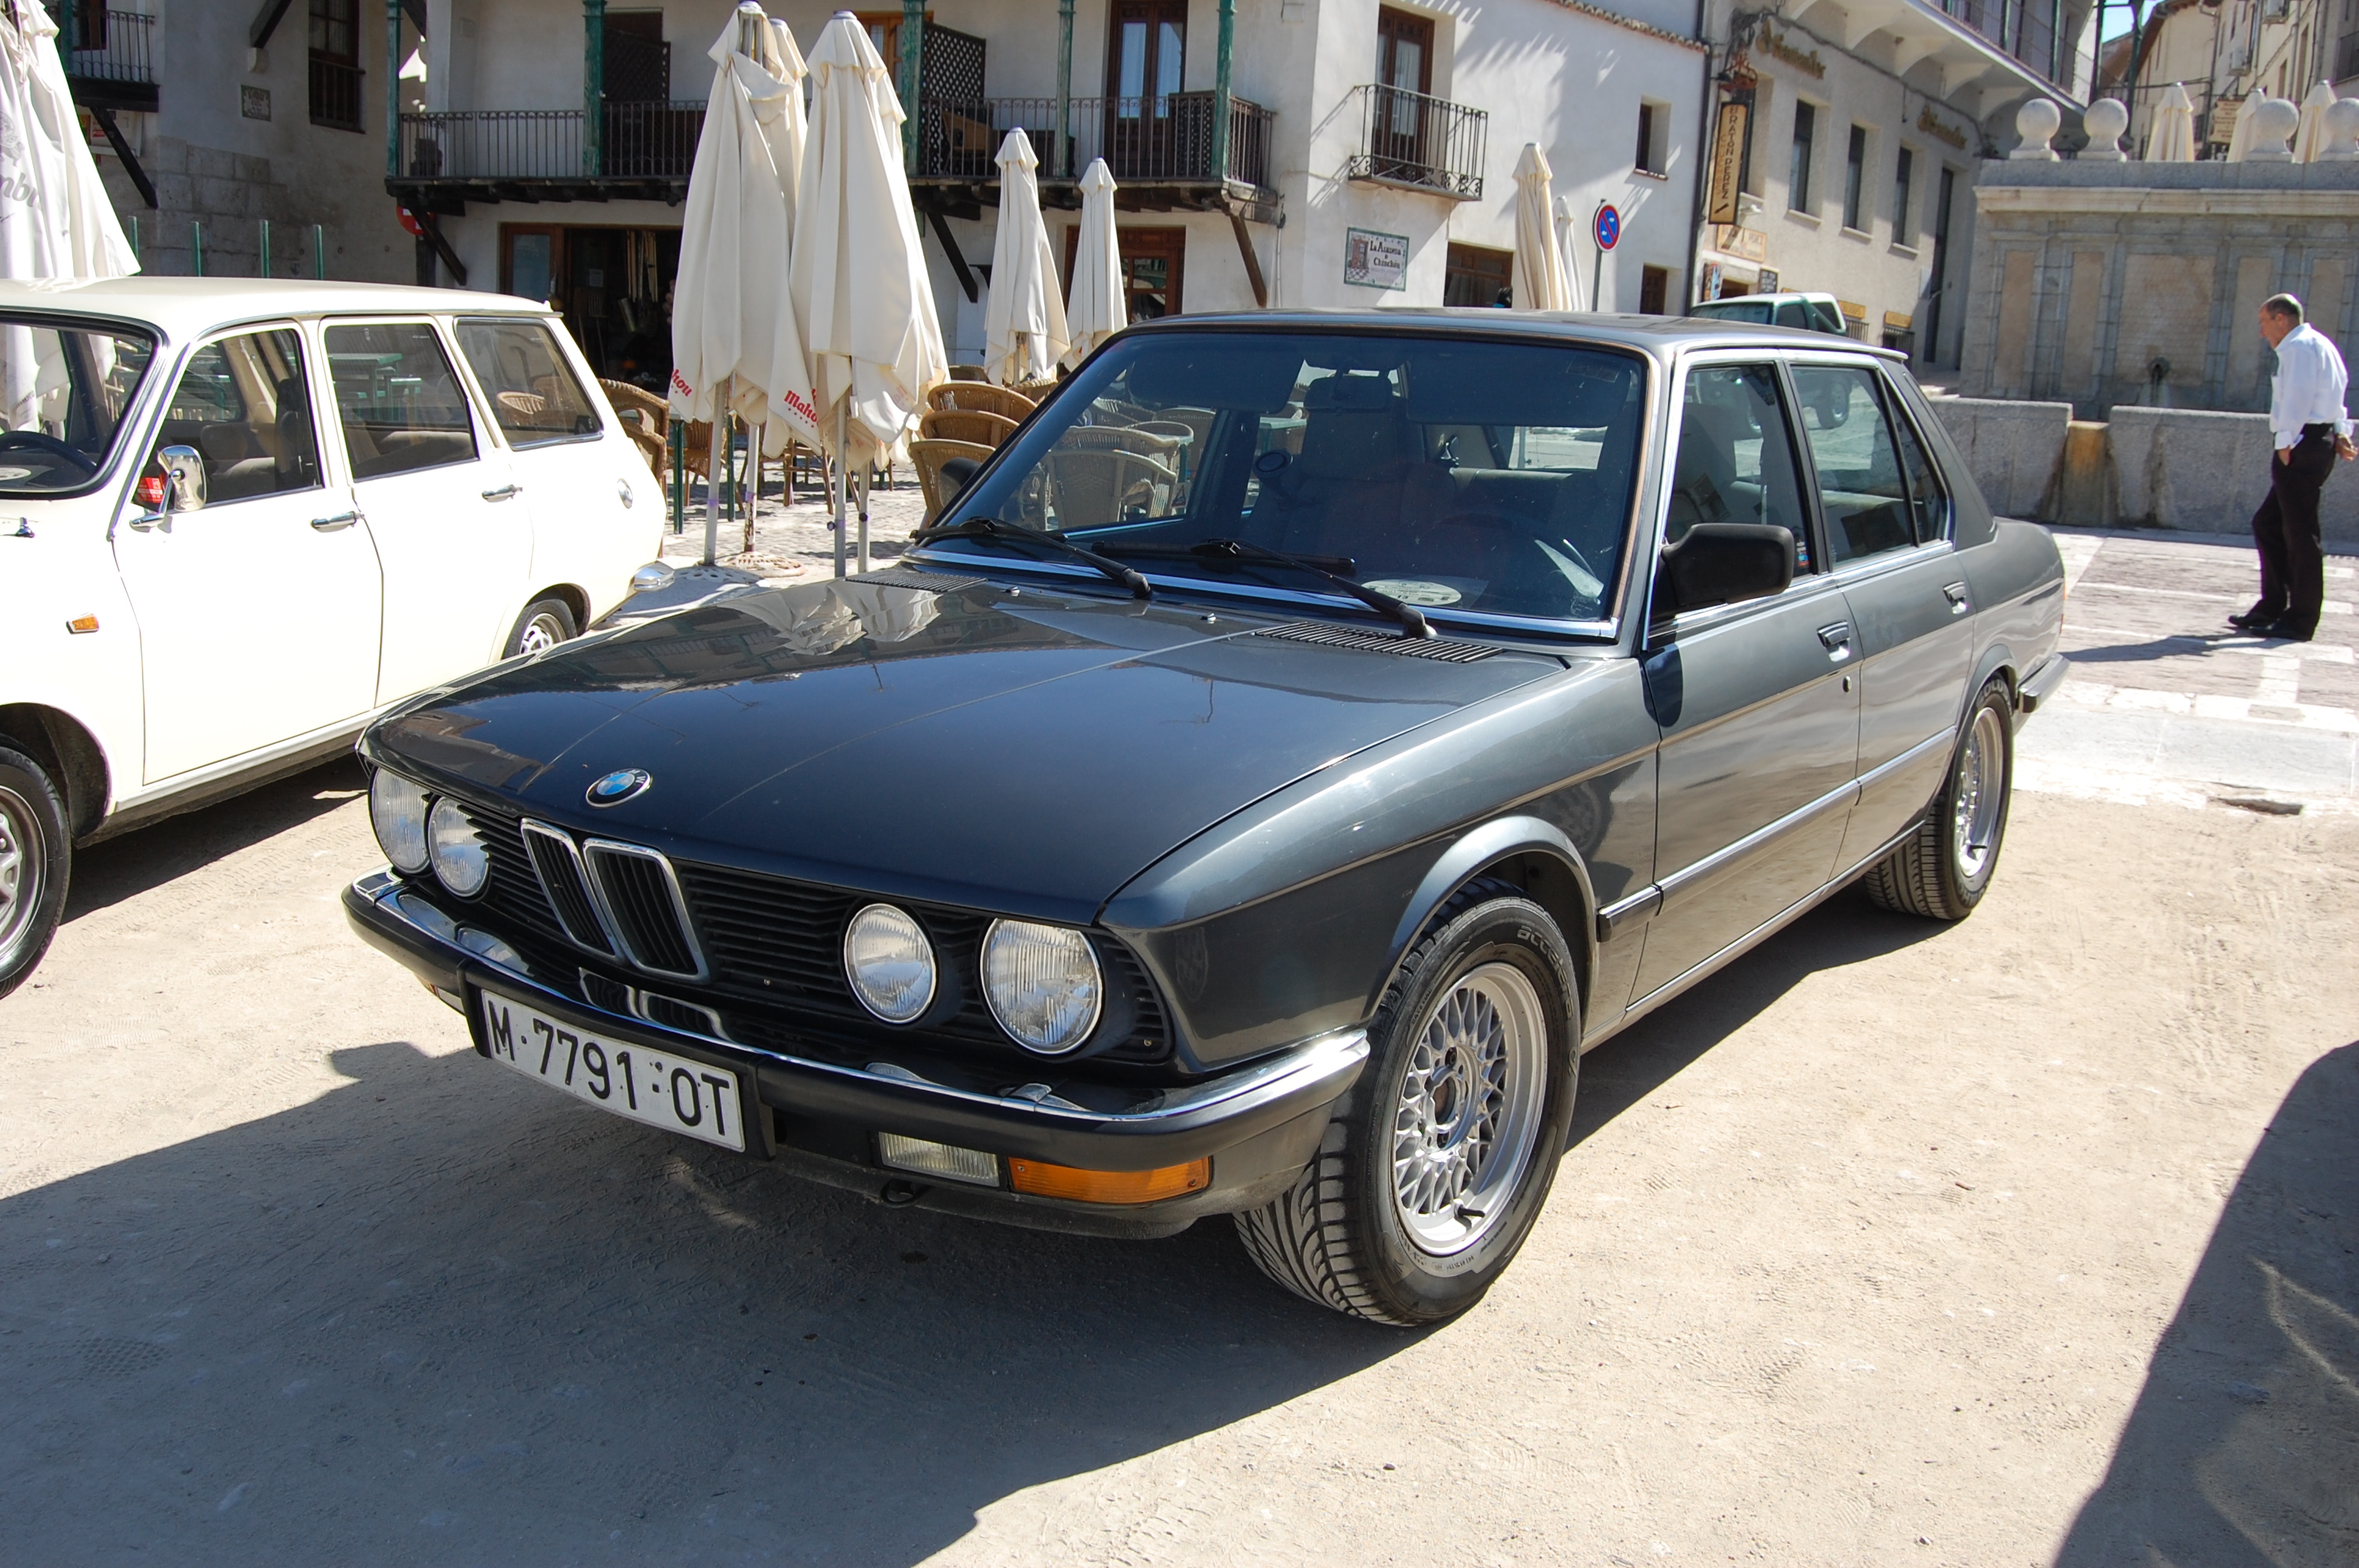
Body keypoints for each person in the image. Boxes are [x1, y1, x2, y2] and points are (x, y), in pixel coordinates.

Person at [2229, 293, 2356, 642]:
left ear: (2281, 318)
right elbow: (2337, 391)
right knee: (2268, 523)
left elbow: (2297, 398)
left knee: (2300, 533)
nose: (2262, 332)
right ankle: (2272, 606)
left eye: (2264, 322)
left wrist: (2285, 442)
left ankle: (2301, 619)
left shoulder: (2297, 347)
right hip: (2317, 439)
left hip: (2301, 442)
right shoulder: (2320, 344)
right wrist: (2341, 431)